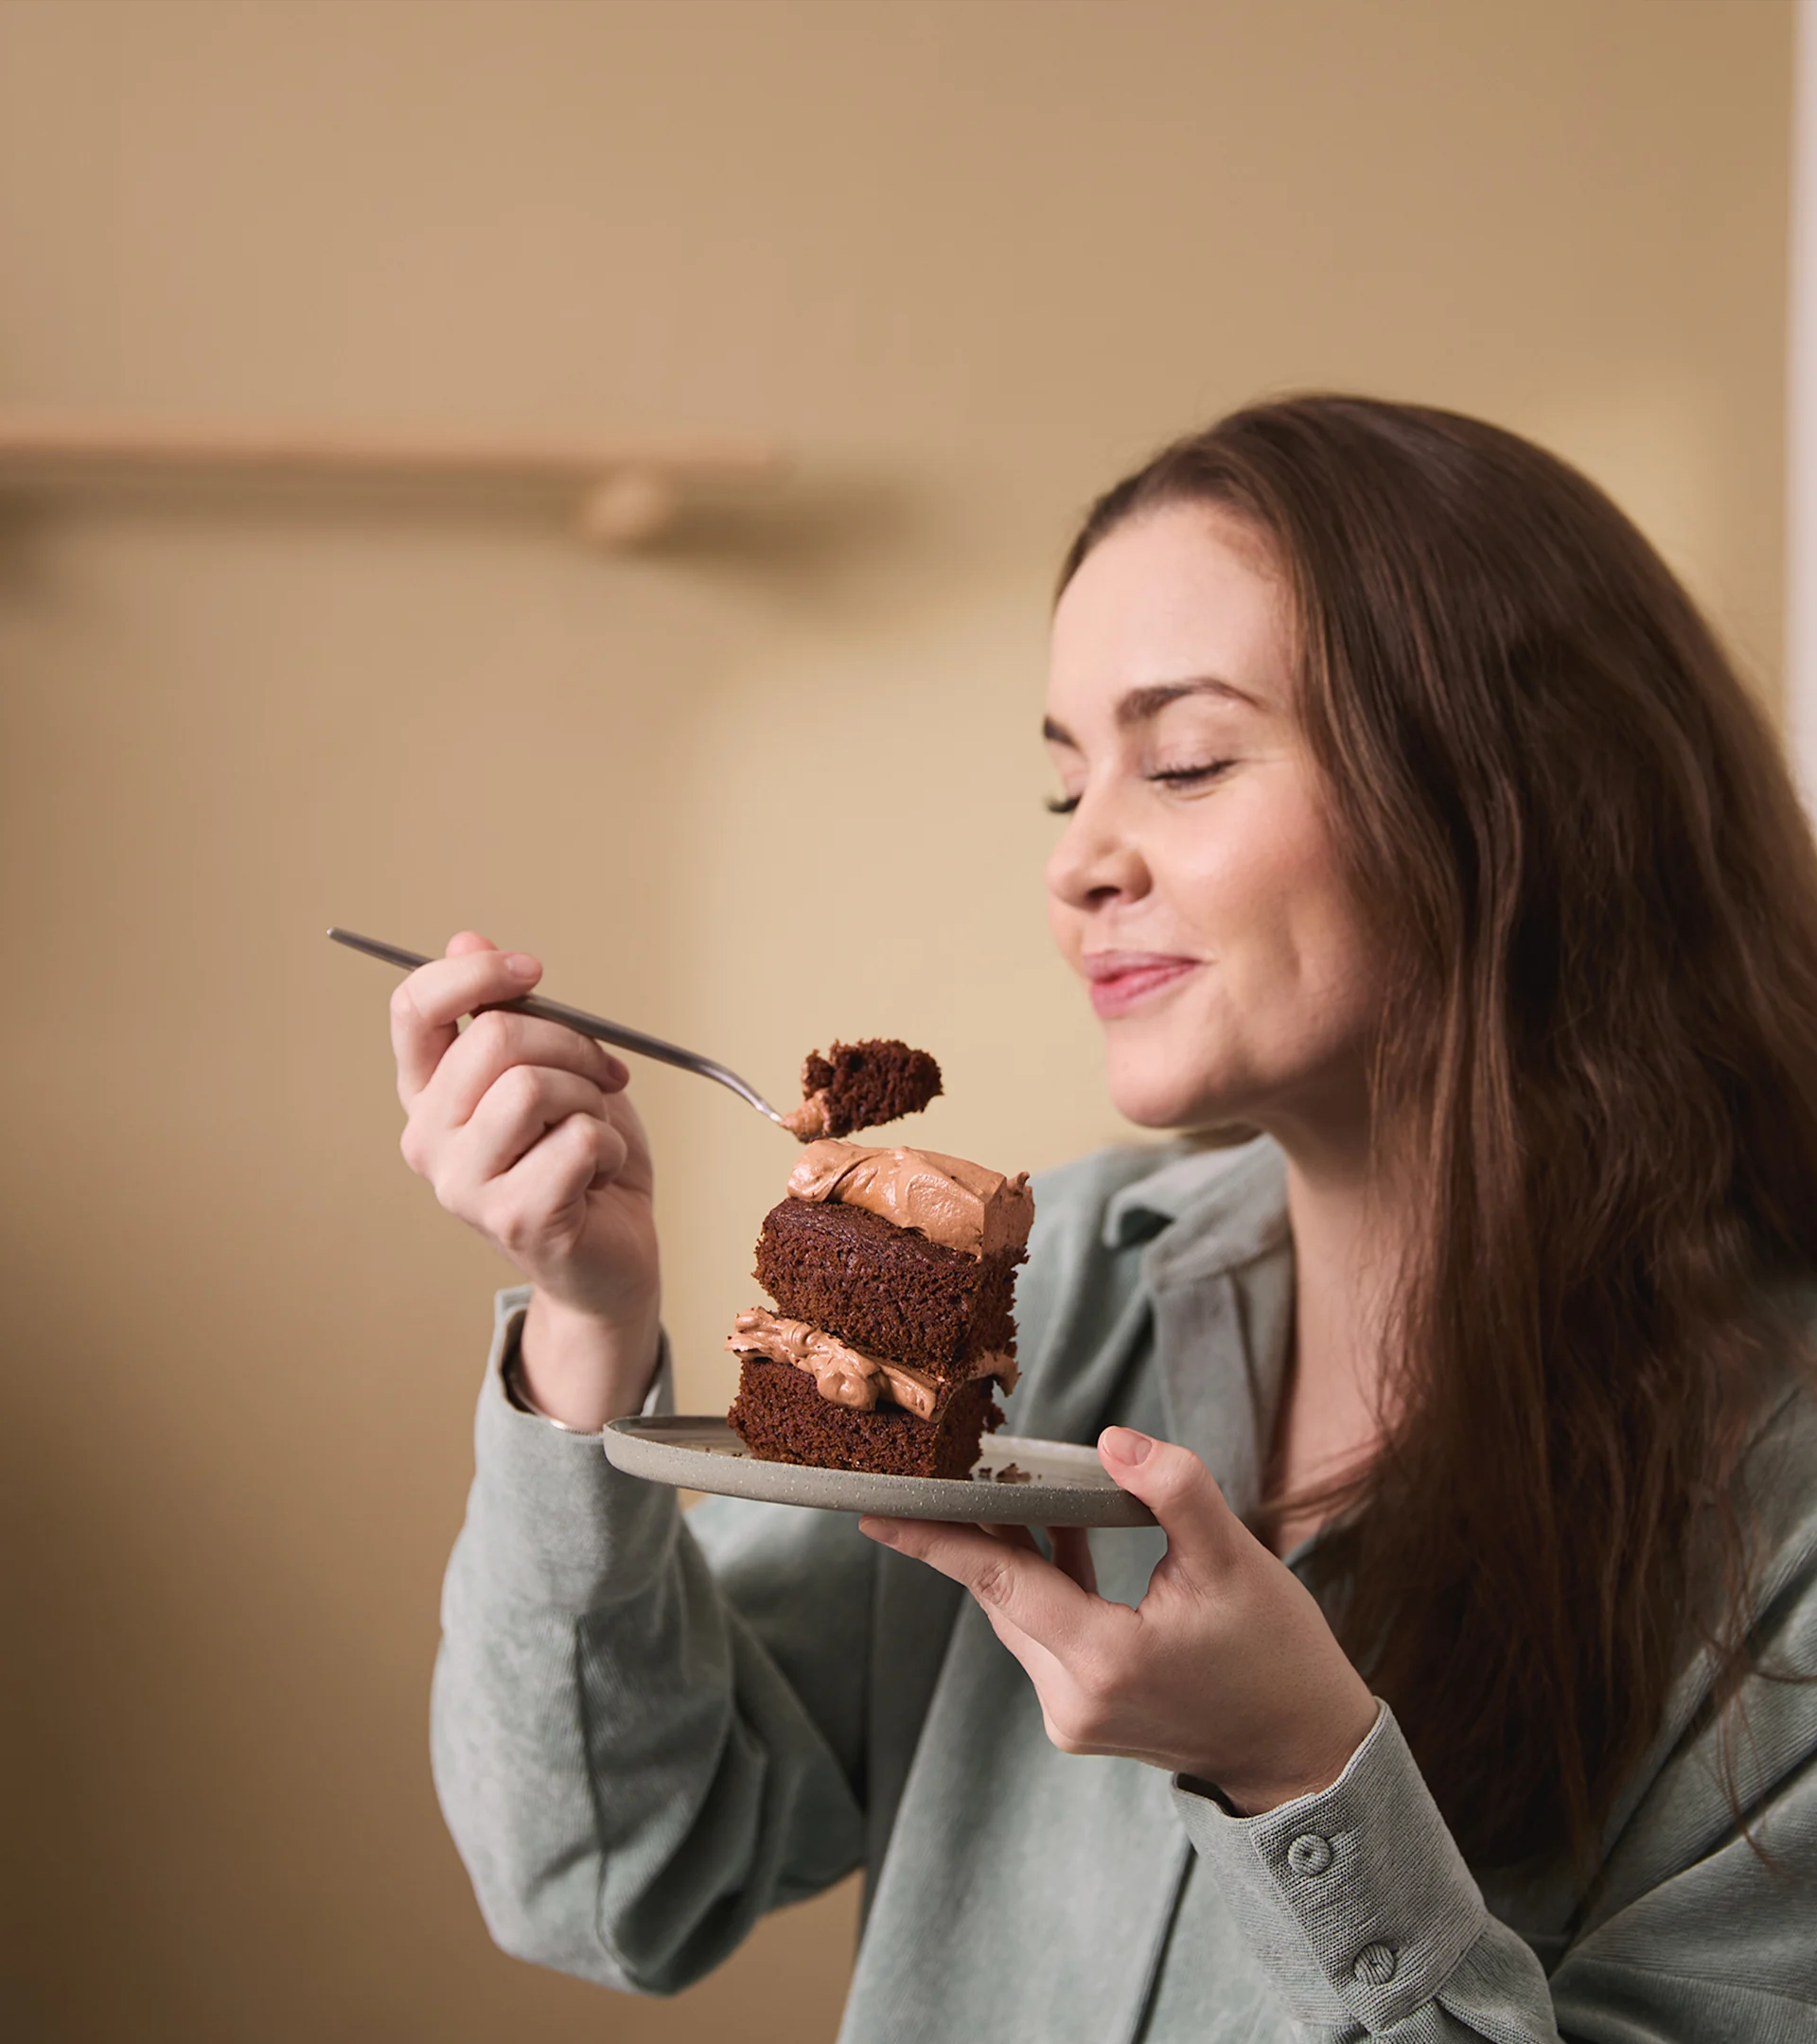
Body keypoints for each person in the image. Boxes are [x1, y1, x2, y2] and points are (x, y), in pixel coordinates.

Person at [389, 396, 1817, 2041]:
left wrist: (1302, 1781)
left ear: (1515, 796)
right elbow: (615, 1872)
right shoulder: (1035, 1294)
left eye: (1188, 761)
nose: (1082, 864)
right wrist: (586, 1322)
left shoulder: (1777, 1520)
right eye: (1066, 789)